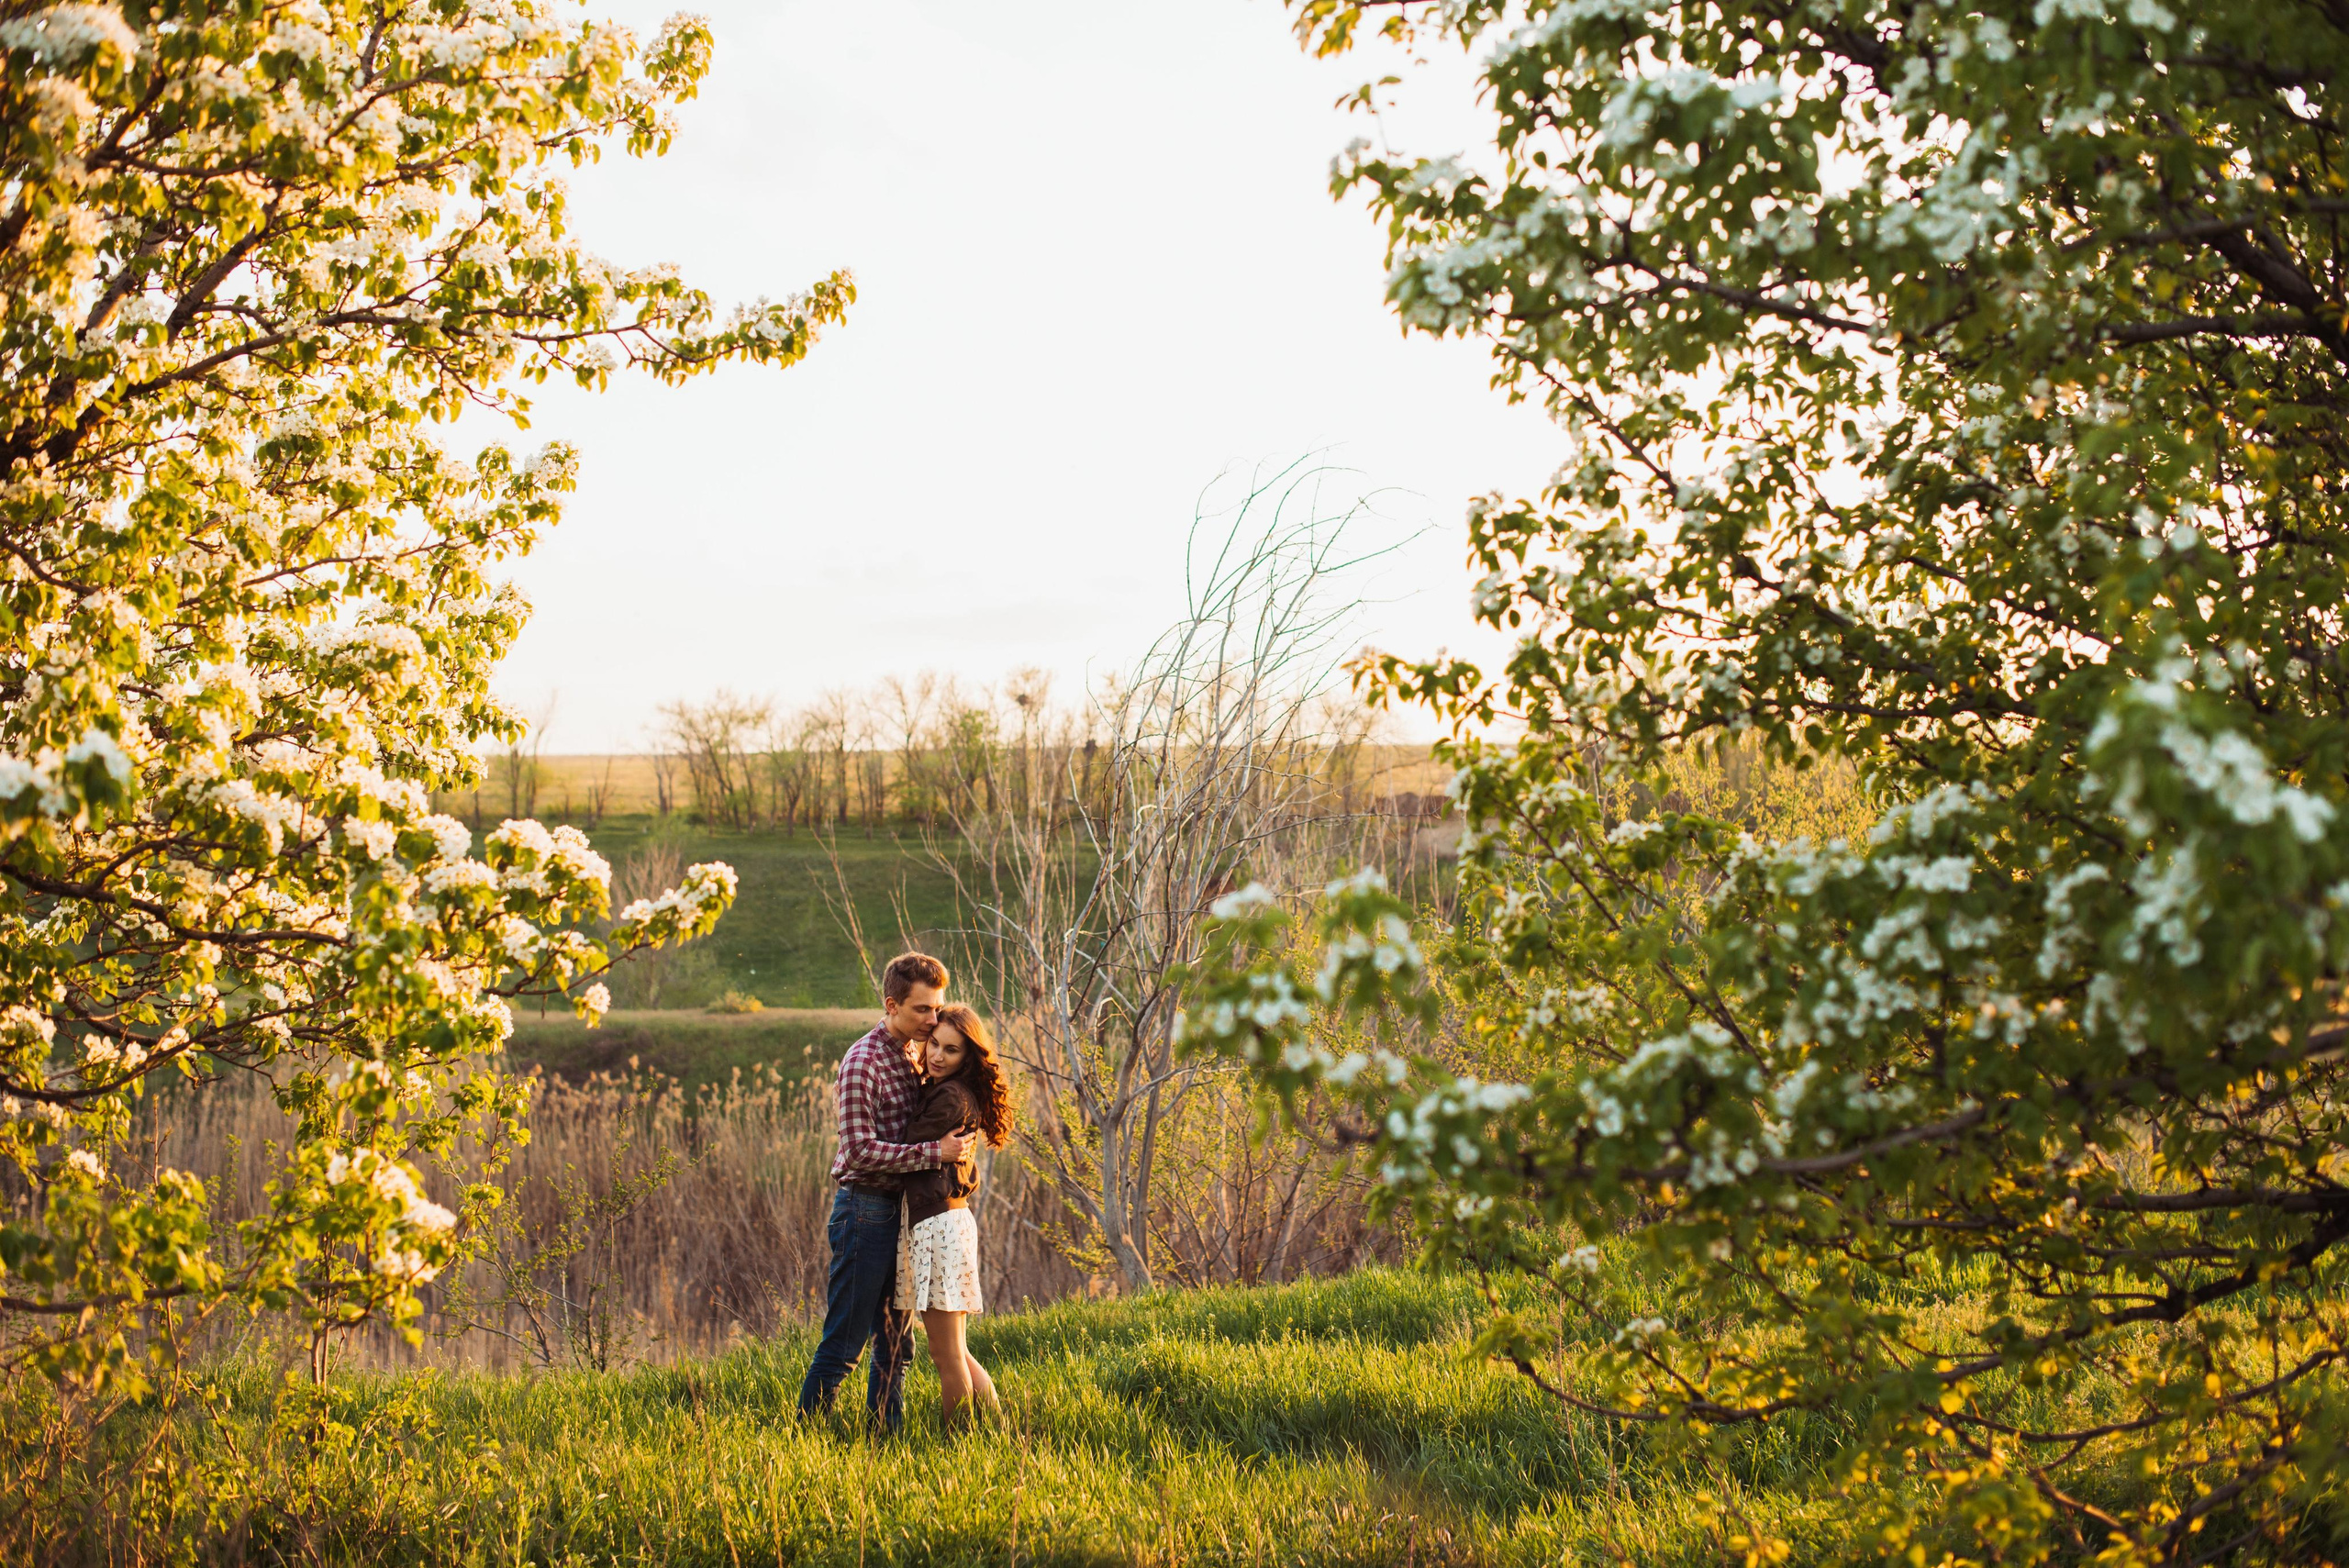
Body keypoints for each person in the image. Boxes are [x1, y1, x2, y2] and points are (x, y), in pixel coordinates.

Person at [796, 951, 970, 1429]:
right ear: (892, 1005)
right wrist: (935, 1152)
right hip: (866, 1211)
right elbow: (857, 1152)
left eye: (937, 1008)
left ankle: (884, 1437)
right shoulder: (863, 1062)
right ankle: (806, 1435)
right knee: (845, 1344)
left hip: (906, 1214)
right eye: (922, 1009)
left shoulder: (916, 1051)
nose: (933, 1019)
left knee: (897, 1344)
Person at [893, 1003, 1014, 1426]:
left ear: (968, 1057)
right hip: (947, 1223)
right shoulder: (951, 1091)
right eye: (934, 1044)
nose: (937, 1056)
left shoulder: (950, 1097)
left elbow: (902, 1142)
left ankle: (957, 1443)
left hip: (939, 1226)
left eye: (952, 1050)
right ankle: (997, 1430)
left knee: (946, 1355)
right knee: (956, 1351)